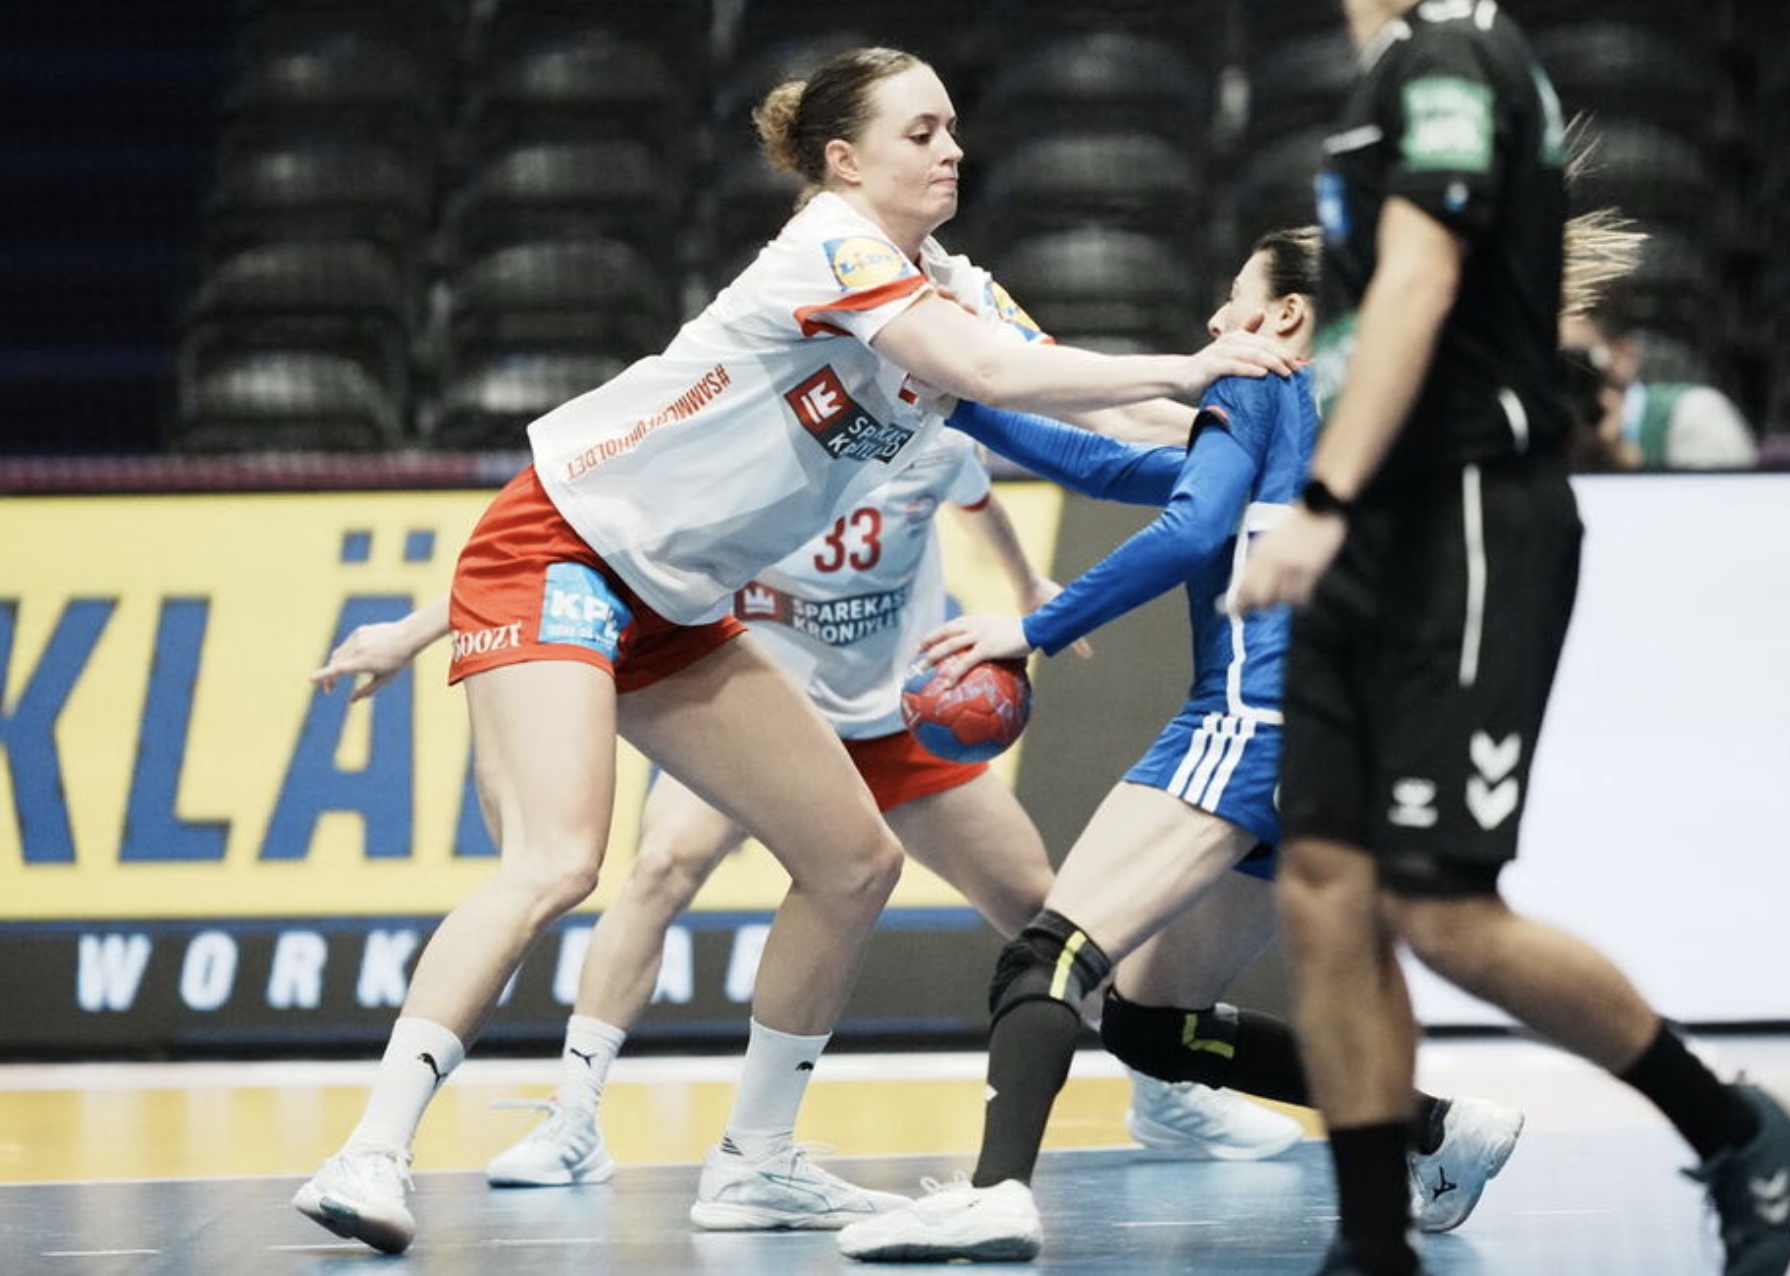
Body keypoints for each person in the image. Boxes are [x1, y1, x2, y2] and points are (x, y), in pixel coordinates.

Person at [289, 44, 1294, 1255]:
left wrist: (1282, 432)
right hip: (558, 552)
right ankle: (372, 1150)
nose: (953, 150)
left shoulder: (952, 283)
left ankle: (755, 1161)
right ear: (844, 160)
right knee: (558, 860)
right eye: (921, 132)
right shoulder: (833, 246)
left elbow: (1086, 407)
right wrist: (1198, 362)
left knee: (853, 861)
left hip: (677, 603)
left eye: (954, 128)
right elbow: (987, 373)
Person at [312, 434, 1306, 1209]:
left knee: (1048, 915)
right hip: (763, 711)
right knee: (660, 868)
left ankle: (1164, 1095)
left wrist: (1024, 584)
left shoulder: (932, 437)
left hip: (901, 715)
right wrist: (415, 628)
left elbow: (980, 500)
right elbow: (586, 540)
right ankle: (573, 1116)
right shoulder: (754, 455)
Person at [1228, 3, 1790, 1274]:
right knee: (1325, 887)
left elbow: (1422, 280)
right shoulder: (1396, 68)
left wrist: (1322, 498)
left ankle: (1733, 1127)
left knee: (1439, 911)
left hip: (1463, 516)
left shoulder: (1450, 52)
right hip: (1374, 521)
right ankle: (1372, 1243)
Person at [837, 226, 1523, 1266]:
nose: (1214, 320)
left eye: (1233, 297)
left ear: (1285, 315)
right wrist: (955, 396)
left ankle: (993, 1195)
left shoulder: (1258, 382)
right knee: (1151, 1020)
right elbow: (1117, 466)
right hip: (1343, 751)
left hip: (1254, 718)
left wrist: (1034, 627)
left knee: (1048, 954)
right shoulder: (1353, 417)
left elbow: (1193, 529)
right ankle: (1435, 1130)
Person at [1557, 292, 1758, 471]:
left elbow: (1720, 498)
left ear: (1624, 355)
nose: (1568, 379)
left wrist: (1621, 462)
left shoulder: (1693, 414)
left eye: (1579, 362)